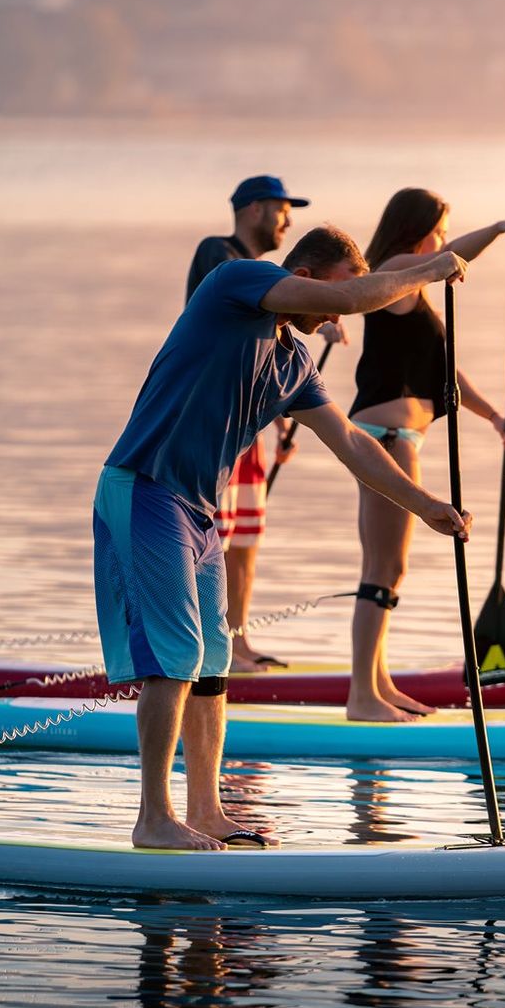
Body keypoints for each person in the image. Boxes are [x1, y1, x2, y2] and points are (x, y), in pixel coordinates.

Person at [96, 225, 471, 851]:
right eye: (336, 291)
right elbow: (356, 300)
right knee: (176, 656)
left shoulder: (292, 362)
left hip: (198, 510)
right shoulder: (239, 282)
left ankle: (207, 812)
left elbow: (354, 446)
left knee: (214, 664)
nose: (334, 311)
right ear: (310, 274)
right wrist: (430, 269)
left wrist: (426, 503)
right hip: (144, 488)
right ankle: (153, 819)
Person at [344, 188, 505, 723]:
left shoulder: (414, 284)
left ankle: (377, 684)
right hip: (386, 437)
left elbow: (444, 369)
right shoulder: (395, 267)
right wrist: (500, 227)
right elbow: (443, 261)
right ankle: (361, 697)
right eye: (441, 229)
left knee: (393, 566)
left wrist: (494, 417)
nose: (446, 241)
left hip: (400, 437)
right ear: (416, 229)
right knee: (381, 567)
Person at [186, 175, 345, 674]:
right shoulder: (222, 256)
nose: (288, 220)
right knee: (220, 536)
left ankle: (240, 640)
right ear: (253, 209)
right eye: (280, 209)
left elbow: (266, 353)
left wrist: (278, 418)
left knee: (248, 537)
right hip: (215, 422)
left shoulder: (269, 277)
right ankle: (209, 646)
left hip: (252, 423)